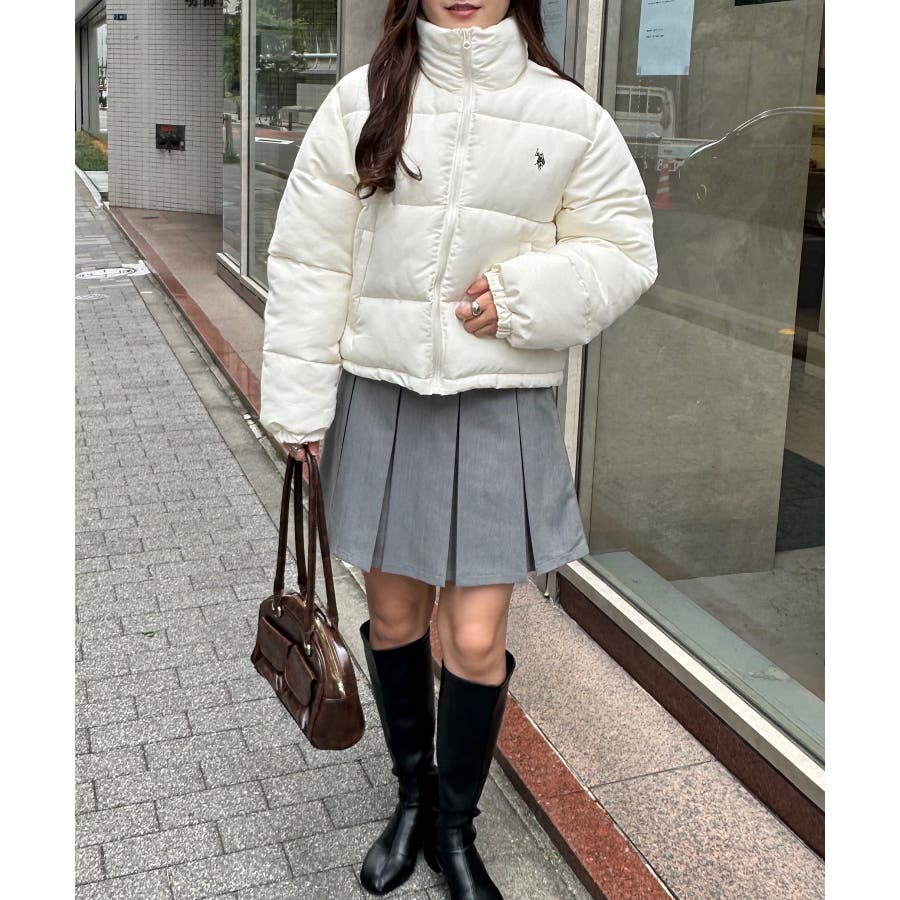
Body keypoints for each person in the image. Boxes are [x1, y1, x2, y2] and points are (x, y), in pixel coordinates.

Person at [259, 2, 657, 897]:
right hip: (385, 394)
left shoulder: (566, 113)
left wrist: (520, 298)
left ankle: (455, 826)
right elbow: (311, 262)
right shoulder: (363, 100)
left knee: (474, 641)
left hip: (499, 405)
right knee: (397, 620)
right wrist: (297, 410)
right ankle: (412, 797)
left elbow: (623, 251)